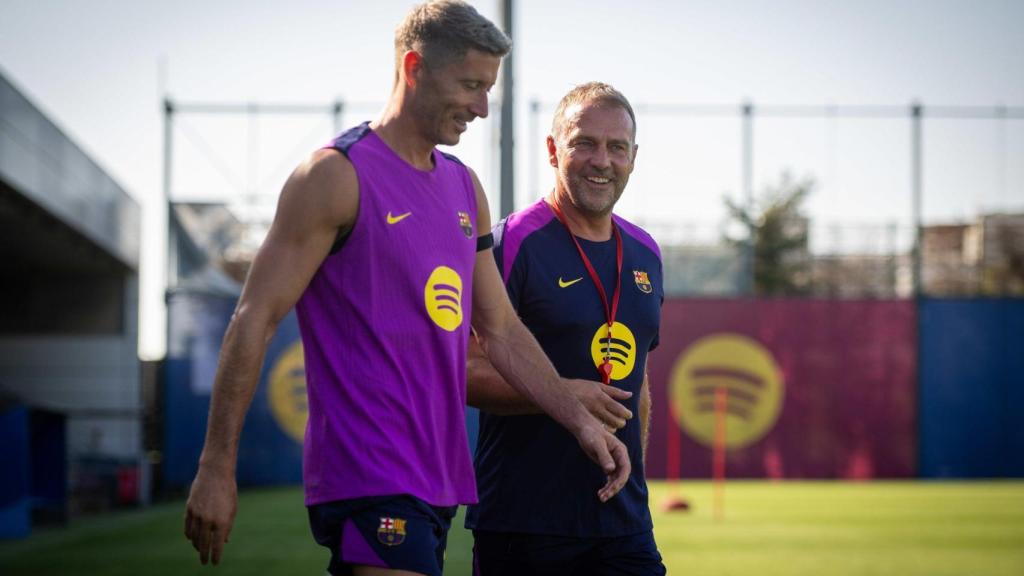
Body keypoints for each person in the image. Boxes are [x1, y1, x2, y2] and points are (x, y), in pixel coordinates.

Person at [182, 4, 631, 575]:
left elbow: (502, 330)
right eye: (471, 85)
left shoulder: (465, 187)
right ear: (414, 67)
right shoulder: (334, 175)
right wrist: (216, 465)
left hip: (442, 477)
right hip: (368, 472)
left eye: (488, 89)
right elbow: (254, 316)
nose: (482, 107)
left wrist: (581, 421)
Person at [466, 82, 666, 575]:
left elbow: (637, 381)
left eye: (617, 147)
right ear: (554, 150)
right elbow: (465, 371)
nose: (603, 160)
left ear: (633, 158)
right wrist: (563, 394)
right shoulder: (508, 244)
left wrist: (633, 475)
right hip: (524, 525)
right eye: (585, 143)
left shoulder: (646, 253)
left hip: (624, 526)